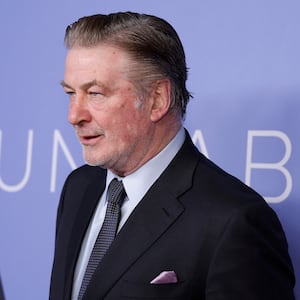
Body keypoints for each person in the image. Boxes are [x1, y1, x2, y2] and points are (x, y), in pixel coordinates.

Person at [49, 12, 295, 300]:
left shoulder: (233, 220)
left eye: (95, 93)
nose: (73, 115)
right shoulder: (79, 187)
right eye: (70, 93)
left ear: (157, 100)